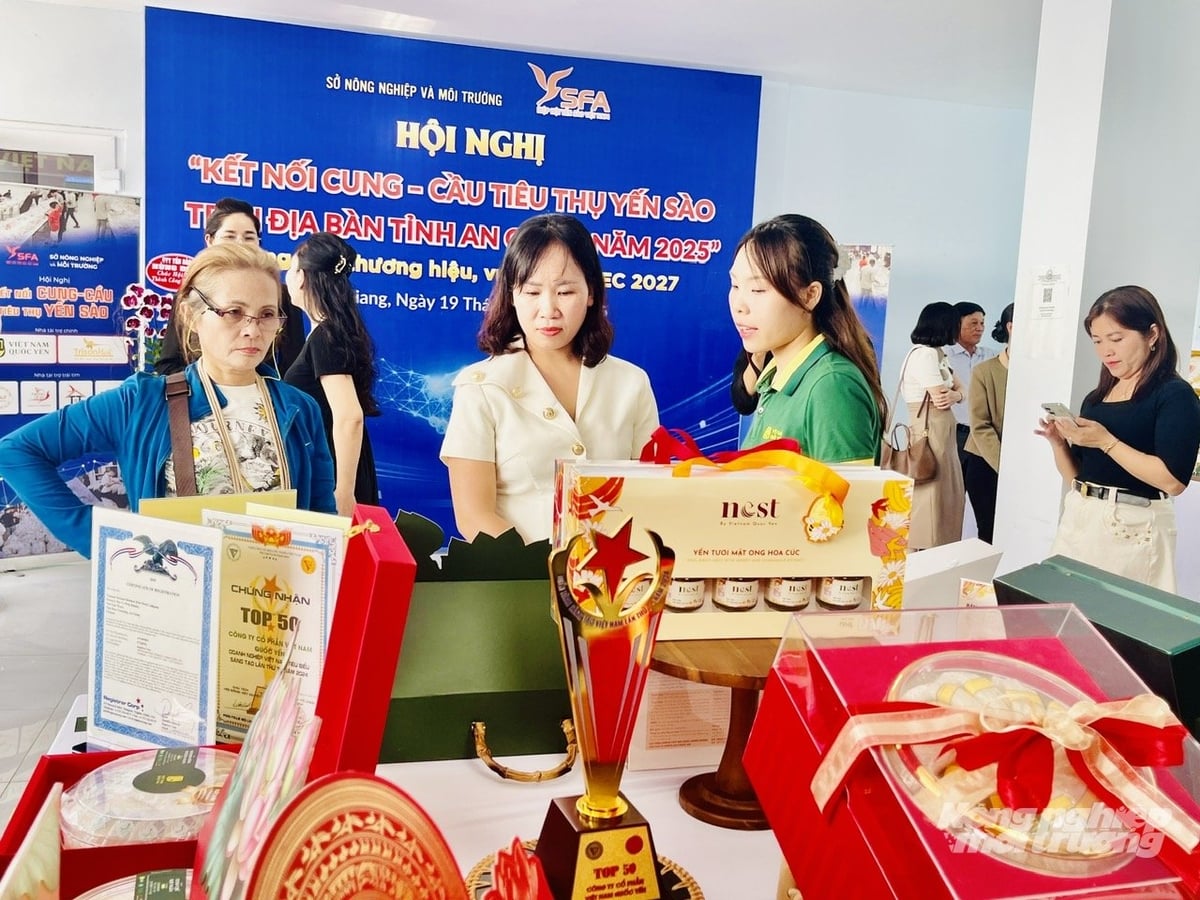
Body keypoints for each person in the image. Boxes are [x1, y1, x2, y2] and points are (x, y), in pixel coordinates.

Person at [0, 243, 336, 556]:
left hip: (272, 599)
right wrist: (99, 540)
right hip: (174, 599)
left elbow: (321, 518)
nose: (253, 329)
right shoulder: (143, 402)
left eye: (266, 314)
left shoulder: (299, 409)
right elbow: (16, 451)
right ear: (192, 317)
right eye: (234, 311)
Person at [440, 214, 658, 544]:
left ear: (591, 294)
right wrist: (549, 572)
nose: (548, 309)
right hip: (519, 581)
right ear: (512, 296)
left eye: (565, 292)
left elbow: (651, 496)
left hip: (615, 581)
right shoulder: (480, 387)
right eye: (531, 292)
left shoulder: (632, 383)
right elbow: (474, 516)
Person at [1037, 285, 1200, 592]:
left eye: (1116, 339)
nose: (1105, 351)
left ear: (1152, 335)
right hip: (1080, 516)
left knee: (1117, 624)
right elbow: (1078, 477)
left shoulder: (1174, 395)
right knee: (1065, 612)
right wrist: (1059, 443)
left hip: (1132, 528)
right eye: (1097, 341)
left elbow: (1173, 481)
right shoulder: (1096, 399)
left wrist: (1106, 441)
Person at [730, 214, 885, 462]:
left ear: (810, 295)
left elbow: (851, 500)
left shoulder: (832, 386)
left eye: (757, 289)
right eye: (735, 285)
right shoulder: (773, 374)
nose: (739, 305)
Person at [284, 232, 380, 515]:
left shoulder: (326, 336)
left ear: (301, 277)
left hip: (333, 472)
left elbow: (349, 416)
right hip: (328, 463)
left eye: (290, 268)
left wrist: (343, 491)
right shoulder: (329, 332)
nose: (287, 277)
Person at [155, 197, 306, 377]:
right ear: (210, 240)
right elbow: (168, 366)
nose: (240, 244)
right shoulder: (191, 295)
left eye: (249, 237)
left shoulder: (279, 294)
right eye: (230, 236)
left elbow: (294, 363)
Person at [900, 301, 966, 549]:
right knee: (933, 490)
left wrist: (955, 395)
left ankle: (935, 545)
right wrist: (954, 394)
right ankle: (926, 546)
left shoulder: (938, 353)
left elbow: (961, 391)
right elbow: (939, 396)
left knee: (943, 490)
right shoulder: (925, 354)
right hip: (930, 427)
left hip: (939, 427)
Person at [962, 303, 1013, 544]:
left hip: (1024, 469)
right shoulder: (985, 371)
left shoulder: (1041, 371)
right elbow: (980, 425)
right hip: (986, 463)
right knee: (989, 534)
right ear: (1011, 328)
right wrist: (1006, 467)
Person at [944, 301, 995, 471]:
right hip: (955, 434)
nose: (979, 328)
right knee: (952, 491)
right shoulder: (944, 356)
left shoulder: (990, 356)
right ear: (957, 324)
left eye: (982, 323)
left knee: (982, 491)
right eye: (973, 323)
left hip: (984, 434)